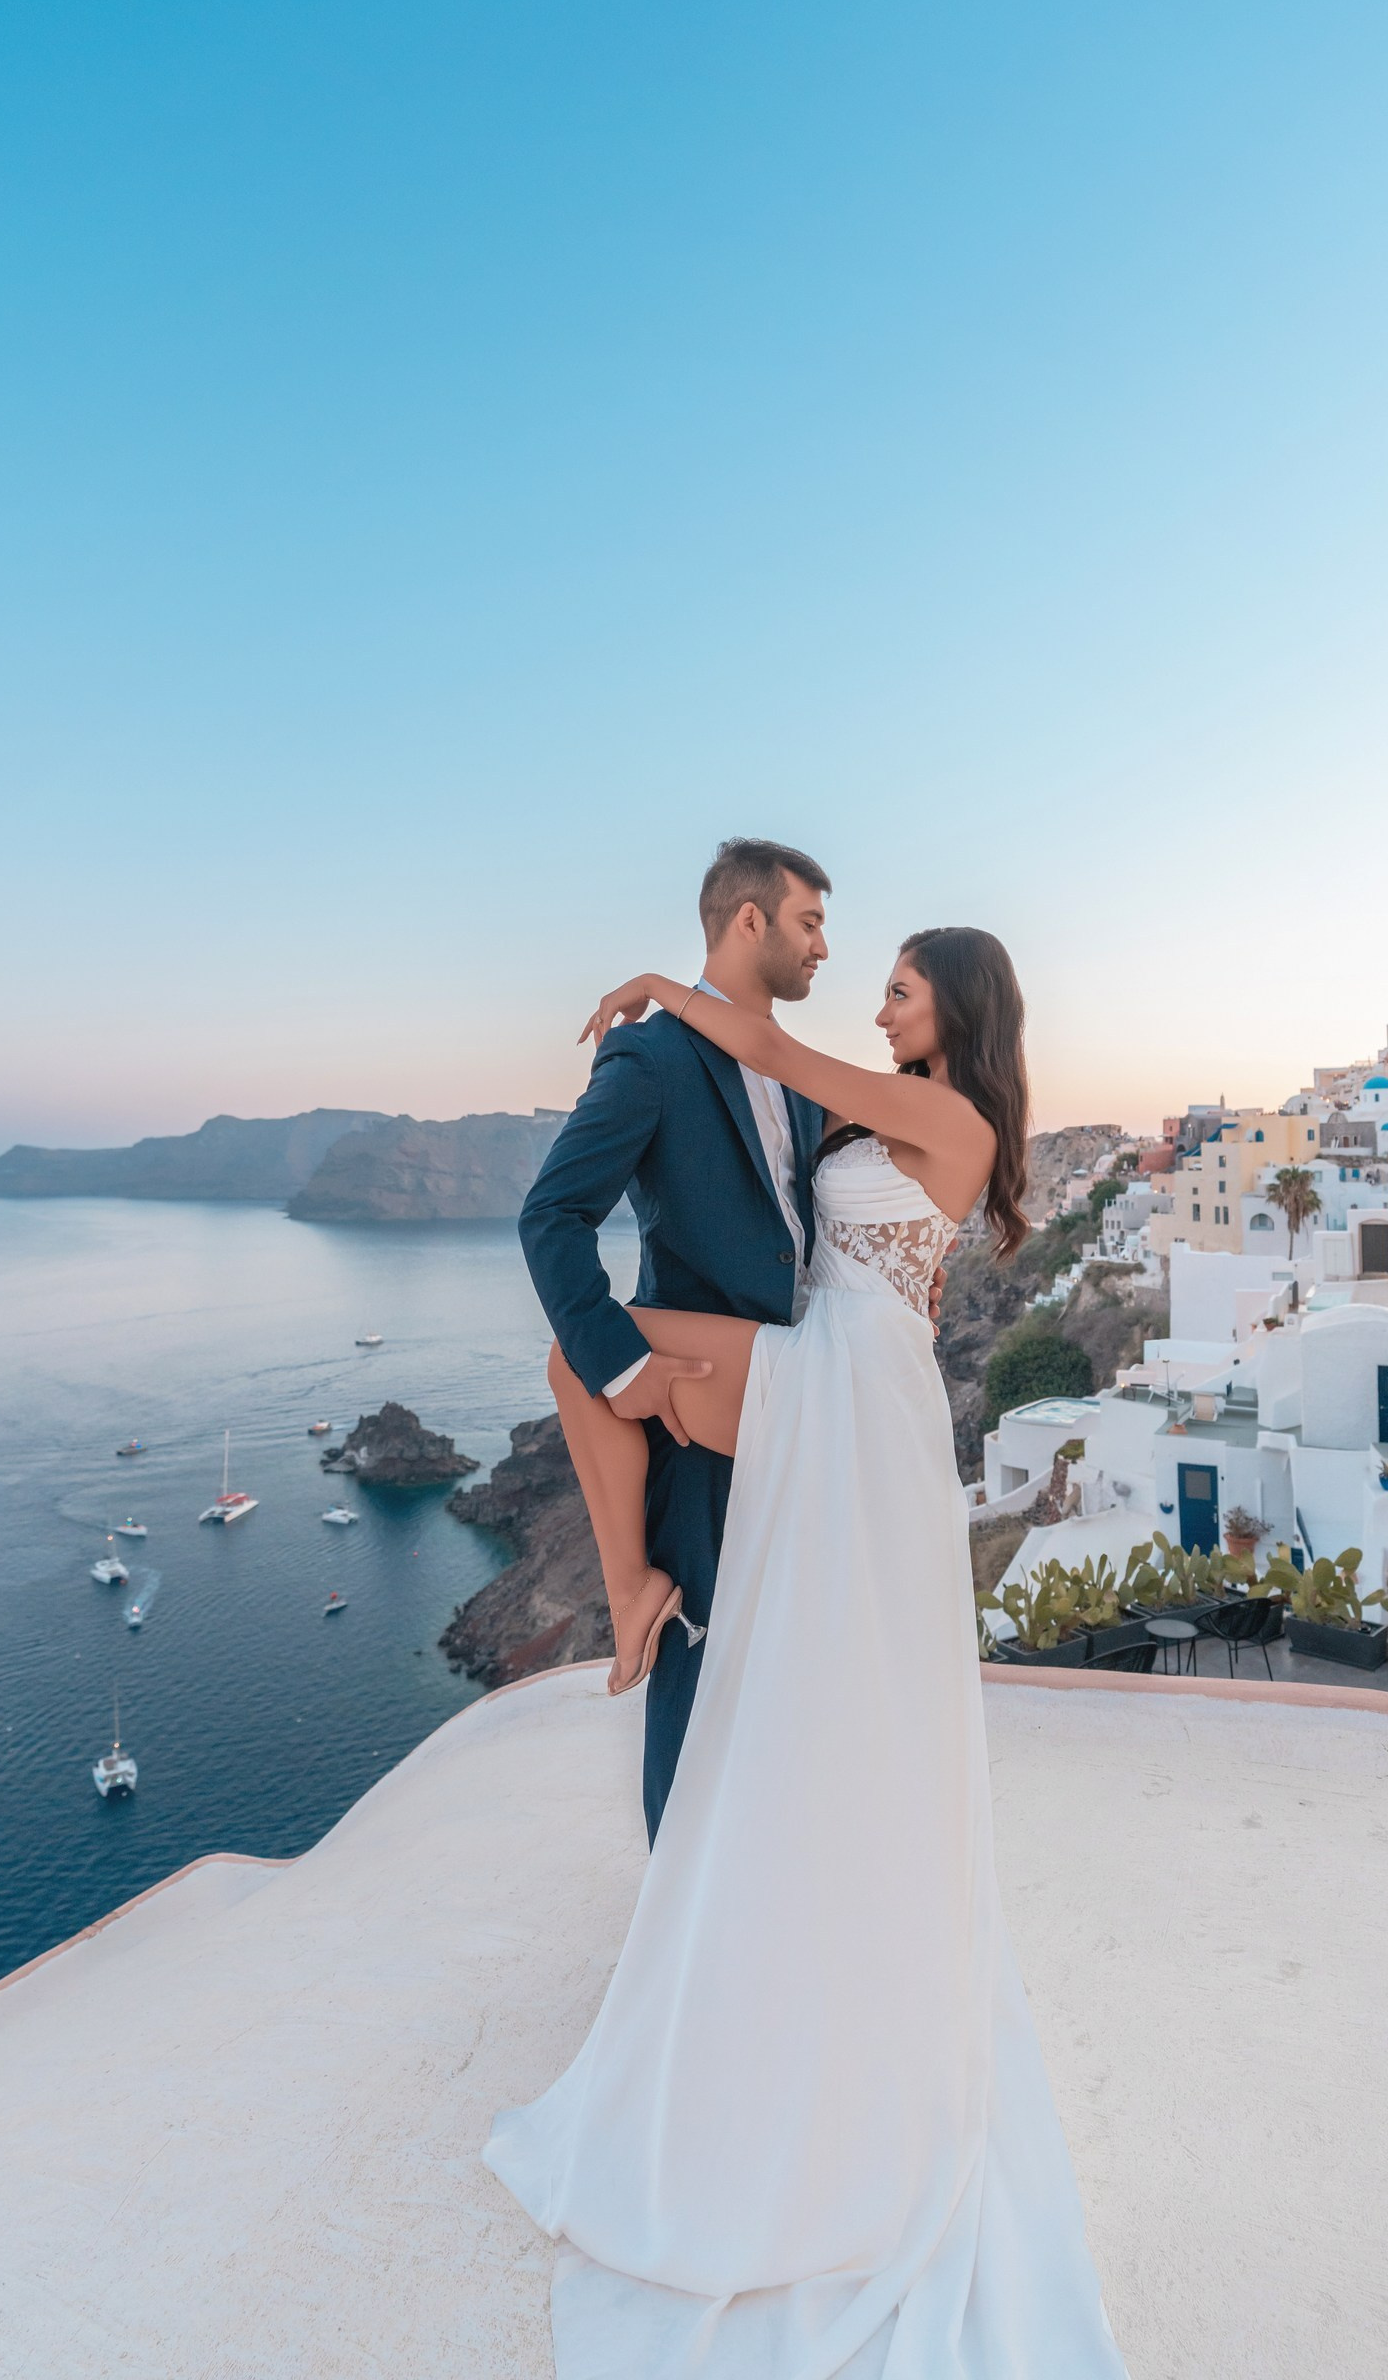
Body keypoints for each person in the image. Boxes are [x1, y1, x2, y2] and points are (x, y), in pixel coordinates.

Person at [487, 915, 1129, 2375]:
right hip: (836, 1373)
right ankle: (637, 1580)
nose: (881, 998)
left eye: (900, 985)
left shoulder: (946, 1112)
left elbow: (767, 1045)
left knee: (586, 1364)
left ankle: (642, 1586)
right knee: (586, 1361)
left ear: (951, 1006)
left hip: (848, 1391)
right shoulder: (896, 1118)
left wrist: (665, 987)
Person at [517, 837, 836, 1840]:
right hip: (698, 1424)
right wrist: (627, 1368)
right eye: (811, 922)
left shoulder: (803, 1077)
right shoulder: (651, 1059)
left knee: (790, 1682)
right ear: (751, 920)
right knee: (693, 1692)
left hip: (804, 1407)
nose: (824, 948)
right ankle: (676, 1945)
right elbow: (550, 1217)